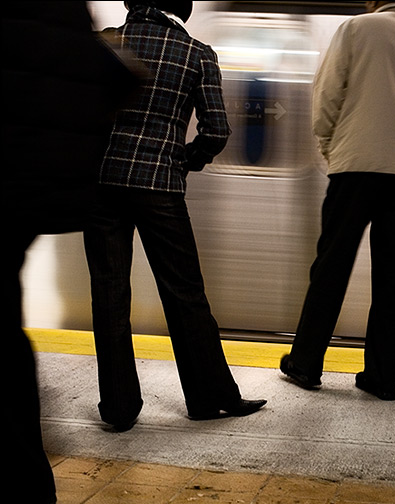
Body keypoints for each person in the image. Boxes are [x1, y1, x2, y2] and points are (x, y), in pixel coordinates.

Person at [83, 0, 266, 432]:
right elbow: (217, 132)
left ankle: (119, 408)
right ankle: (209, 397)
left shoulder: (108, 43)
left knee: (109, 295)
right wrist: (183, 159)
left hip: (103, 185)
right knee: (184, 293)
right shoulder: (196, 53)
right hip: (161, 186)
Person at [2, 1, 143, 504]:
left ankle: (22, 478)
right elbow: (118, 76)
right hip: (35, 192)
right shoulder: (61, 7)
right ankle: (24, 478)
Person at [279, 1, 395, 401]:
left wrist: (329, 148)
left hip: (354, 166)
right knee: (394, 279)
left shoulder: (356, 28)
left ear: (374, 0)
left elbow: (327, 93)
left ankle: (305, 363)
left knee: (332, 266)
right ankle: (383, 376)